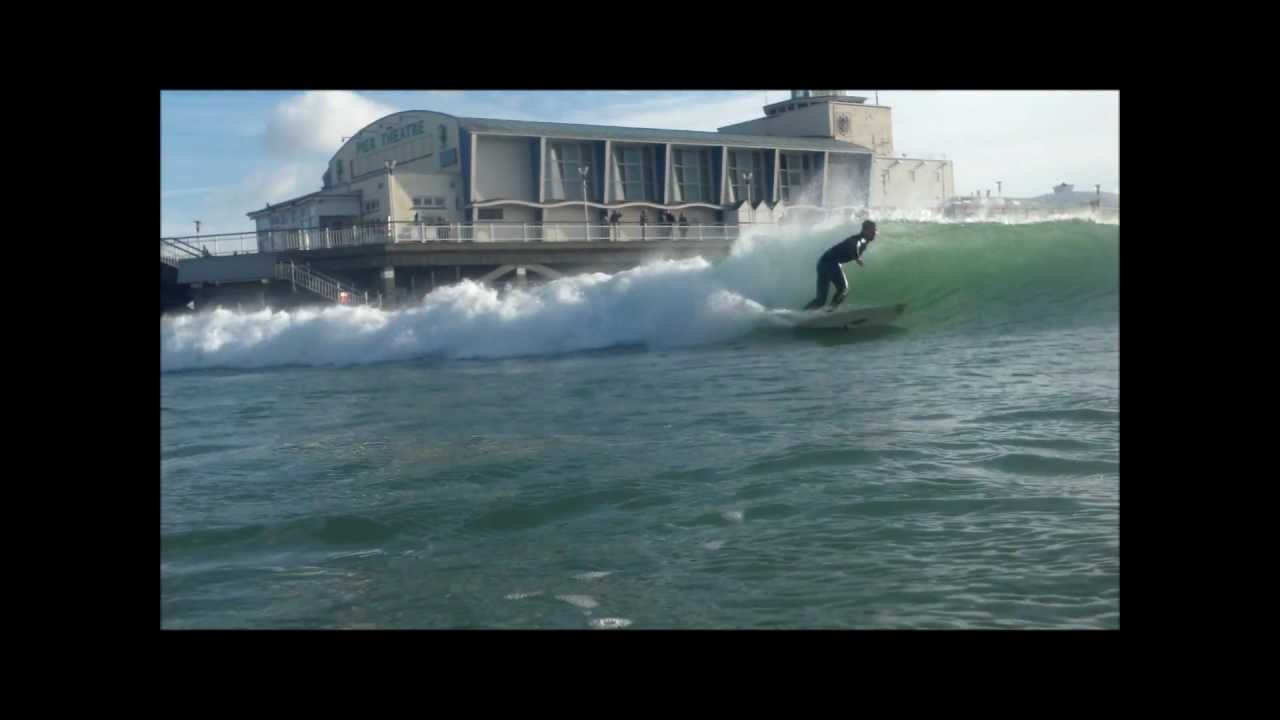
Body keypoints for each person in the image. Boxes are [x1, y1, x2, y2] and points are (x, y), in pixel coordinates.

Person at [804, 220, 877, 311]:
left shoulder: (862, 240)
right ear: (865, 231)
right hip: (831, 263)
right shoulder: (860, 239)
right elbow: (853, 244)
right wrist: (857, 257)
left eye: (875, 230)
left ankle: (801, 314)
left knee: (821, 300)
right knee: (843, 289)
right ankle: (830, 311)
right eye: (873, 230)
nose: (875, 233)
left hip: (822, 263)